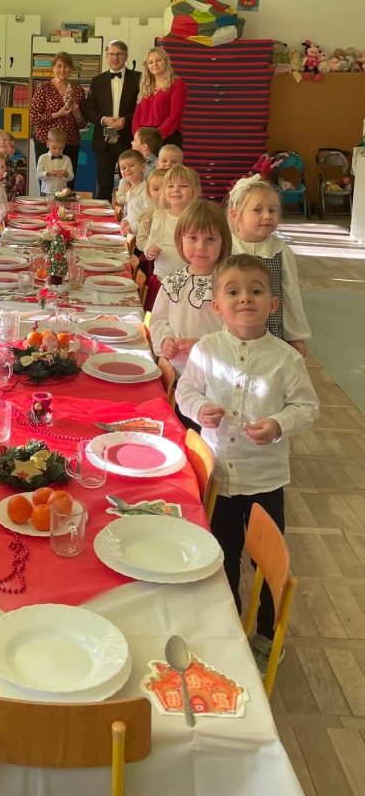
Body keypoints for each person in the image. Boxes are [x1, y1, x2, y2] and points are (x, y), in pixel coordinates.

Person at [176, 254, 319, 672]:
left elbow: (307, 407)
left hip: (265, 480)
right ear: (217, 306)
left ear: (272, 305)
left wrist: (278, 424)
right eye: (234, 292)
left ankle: (267, 635)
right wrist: (199, 408)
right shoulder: (206, 350)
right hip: (219, 476)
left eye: (256, 291)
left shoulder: (285, 359)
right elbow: (186, 391)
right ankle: (226, 630)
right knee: (221, 555)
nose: (245, 299)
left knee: (265, 562)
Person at [227, 175, 310, 356]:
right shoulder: (226, 249)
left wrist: (296, 336)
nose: (267, 216)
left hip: (271, 333)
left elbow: (291, 294)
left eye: (272, 210)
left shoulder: (280, 251)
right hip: (230, 333)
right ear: (235, 215)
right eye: (257, 210)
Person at [149, 200, 231, 376]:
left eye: (210, 239)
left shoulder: (229, 287)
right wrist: (164, 340)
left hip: (214, 374)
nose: (201, 247)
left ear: (223, 242)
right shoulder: (172, 282)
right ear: (180, 239)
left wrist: (203, 344)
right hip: (176, 371)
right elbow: (158, 321)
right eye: (193, 238)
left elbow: (235, 330)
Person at [83, 40, 141, 201]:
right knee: (103, 186)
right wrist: (103, 120)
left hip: (128, 139)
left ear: (126, 56)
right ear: (106, 56)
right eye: (111, 54)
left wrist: (125, 120)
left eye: (119, 54)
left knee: (131, 184)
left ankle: (128, 216)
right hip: (103, 141)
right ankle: (104, 217)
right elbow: (88, 110)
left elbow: (142, 108)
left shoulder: (138, 78)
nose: (115, 58)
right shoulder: (97, 80)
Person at [30, 51, 86, 176]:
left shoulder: (78, 90)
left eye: (66, 66)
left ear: (71, 69)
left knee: (68, 181)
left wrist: (77, 112)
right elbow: (34, 118)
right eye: (59, 66)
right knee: (46, 180)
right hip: (46, 142)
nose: (62, 70)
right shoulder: (43, 88)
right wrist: (57, 114)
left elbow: (83, 124)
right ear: (53, 68)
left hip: (70, 143)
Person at [144, 165, 202, 280]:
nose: (176, 189)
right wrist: (149, 251)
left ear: (196, 190)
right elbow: (150, 242)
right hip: (162, 278)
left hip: (191, 280)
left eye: (183, 185)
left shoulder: (200, 218)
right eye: (170, 186)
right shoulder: (160, 216)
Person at [133, 46, 187, 147]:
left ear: (166, 61)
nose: (155, 64)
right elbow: (137, 116)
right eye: (150, 62)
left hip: (167, 137)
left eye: (159, 60)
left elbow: (175, 116)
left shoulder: (177, 84)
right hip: (144, 139)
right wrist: (138, 137)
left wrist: (155, 137)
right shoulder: (146, 85)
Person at [133, 168, 166, 255]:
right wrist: (149, 249)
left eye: (166, 187)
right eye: (156, 189)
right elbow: (140, 241)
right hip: (155, 258)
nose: (161, 193)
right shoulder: (149, 214)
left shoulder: (183, 213)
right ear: (149, 193)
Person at [115, 149, 147, 236]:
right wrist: (126, 220)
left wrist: (133, 227)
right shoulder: (131, 190)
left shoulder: (147, 191)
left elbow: (150, 217)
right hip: (133, 235)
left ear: (143, 167)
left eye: (131, 165)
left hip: (143, 238)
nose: (127, 170)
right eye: (123, 168)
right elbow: (132, 213)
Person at [36, 127, 74, 197]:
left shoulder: (67, 159)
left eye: (60, 149)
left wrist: (66, 174)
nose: (57, 151)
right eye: (54, 148)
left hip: (62, 193)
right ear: (48, 144)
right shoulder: (43, 158)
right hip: (46, 192)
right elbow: (38, 175)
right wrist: (48, 173)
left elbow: (71, 176)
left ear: (64, 146)